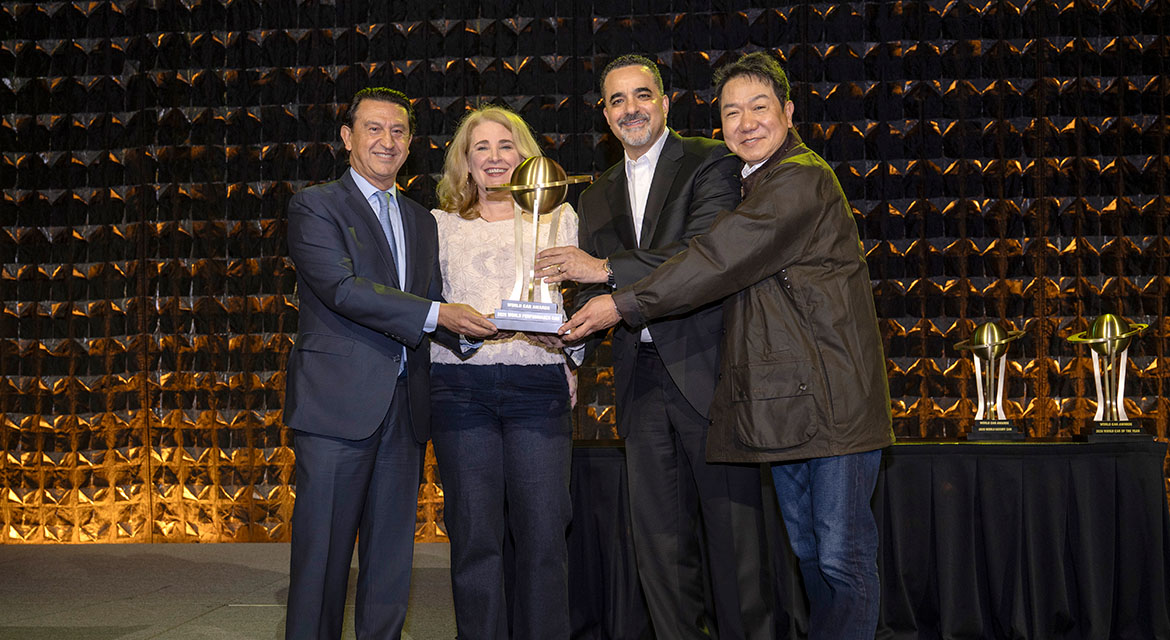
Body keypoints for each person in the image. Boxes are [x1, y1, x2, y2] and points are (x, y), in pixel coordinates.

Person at [561, 52, 895, 640]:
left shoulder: (800, 179)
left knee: (842, 558)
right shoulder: (750, 179)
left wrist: (618, 299)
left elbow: (715, 258)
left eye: (758, 108)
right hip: (786, 402)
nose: (745, 123)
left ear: (789, 111)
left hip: (834, 398)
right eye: (732, 112)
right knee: (812, 554)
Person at [536, 55, 774, 639]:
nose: (631, 109)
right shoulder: (593, 198)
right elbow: (576, 292)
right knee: (659, 545)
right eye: (617, 100)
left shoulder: (710, 160)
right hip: (638, 380)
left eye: (642, 95)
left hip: (709, 372)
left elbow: (703, 254)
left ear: (666, 103)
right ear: (605, 114)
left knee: (733, 540)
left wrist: (605, 271)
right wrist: (555, 335)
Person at [283, 87, 497, 640]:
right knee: (321, 561)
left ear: (410, 144)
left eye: (399, 131)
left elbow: (429, 315)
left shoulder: (422, 219)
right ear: (348, 139)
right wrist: (442, 314)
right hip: (336, 410)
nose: (388, 141)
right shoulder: (315, 205)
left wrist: (479, 335)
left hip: (404, 412)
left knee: (390, 563)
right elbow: (342, 289)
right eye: (374, 129)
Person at [429, 105, 578, 640]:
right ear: (465, 164)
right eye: (481, 149)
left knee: (544, 534)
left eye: (506, 145)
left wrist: (566, 351)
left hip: (537, 384)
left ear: (525, 156)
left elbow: (578, 303)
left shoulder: (561, 217)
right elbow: (425, 310)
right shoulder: (439, 225)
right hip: (460, 387)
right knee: (474, 536)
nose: (494, 158)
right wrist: (456, 328)